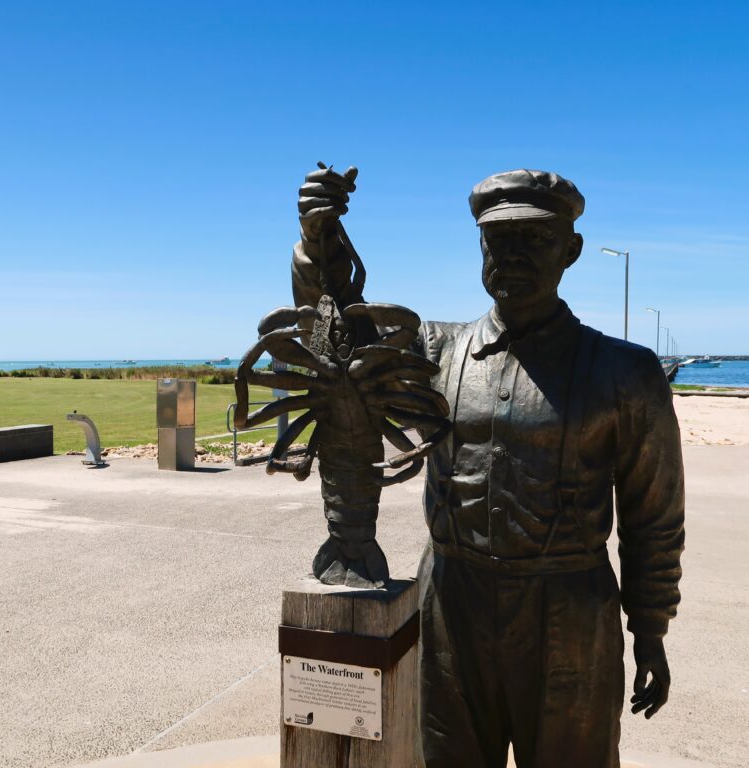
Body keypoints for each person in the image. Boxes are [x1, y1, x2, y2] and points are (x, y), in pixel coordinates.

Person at [292, 165, 685, 768]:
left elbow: (653, 514)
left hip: (571, 614)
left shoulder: (625, 373)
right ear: (480, 245)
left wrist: (650, 628)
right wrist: (317, 242)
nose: (514, 255)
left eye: (536, 239)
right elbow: (336, 336)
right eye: (499, 240)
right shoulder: (433, 350)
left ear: (571, 250)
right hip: (453, 602)